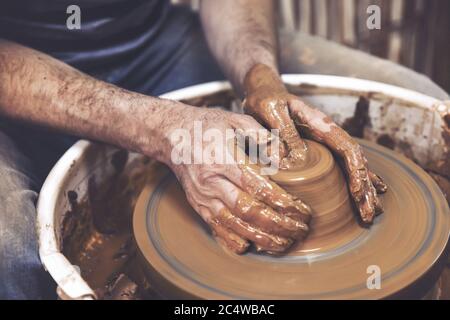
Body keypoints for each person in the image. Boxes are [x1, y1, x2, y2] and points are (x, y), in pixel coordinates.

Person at [0, 0, 447, 299]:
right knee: (11, 256)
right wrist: (162, 128)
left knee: (419, 96)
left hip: (153, 43)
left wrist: (260, 76)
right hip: (17, 70)